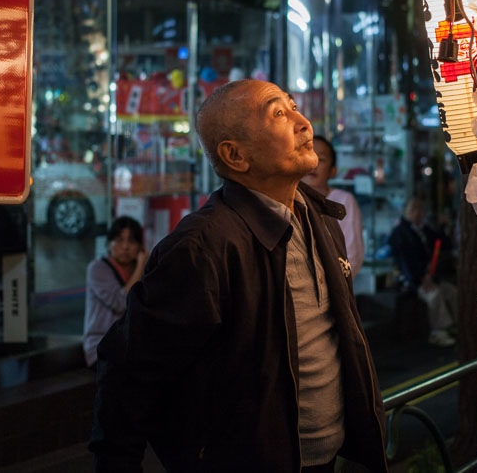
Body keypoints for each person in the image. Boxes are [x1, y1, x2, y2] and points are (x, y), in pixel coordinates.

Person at [90, 79, 388, 473]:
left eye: (294, 107)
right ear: (235, 155)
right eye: (279, 114)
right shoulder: (202, 247)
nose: (303, 122)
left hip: (324, 461)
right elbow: (129, 373)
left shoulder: (319, 218)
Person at [389, 197, 458, 347]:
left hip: (430, 277)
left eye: (420, 209)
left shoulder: (425, 230)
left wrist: (443, 227)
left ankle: (455, 325)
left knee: (452, 292)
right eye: (413, 209)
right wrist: (420, 279)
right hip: (412, 281)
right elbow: (404, 262)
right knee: (434, 296)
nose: (418, 212)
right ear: (405, 211)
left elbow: (443, 244)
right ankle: (438, 331)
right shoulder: (400, 233)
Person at [83, 216, 149, 367]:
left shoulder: (142, 271)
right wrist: (140, 266)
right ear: (108, 243)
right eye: (119, 240)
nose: (125, 247)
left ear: (140, 247)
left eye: (132, 241)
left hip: (130, 346)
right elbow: (120, 303)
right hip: (101, 347)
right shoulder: (97, 268)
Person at [302, 135, 365, 277]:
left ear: (333, 171)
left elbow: (352, 257)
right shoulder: (286, 200)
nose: (314, 163)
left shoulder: (343, 201)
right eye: (307, 155)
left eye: (321, 159)